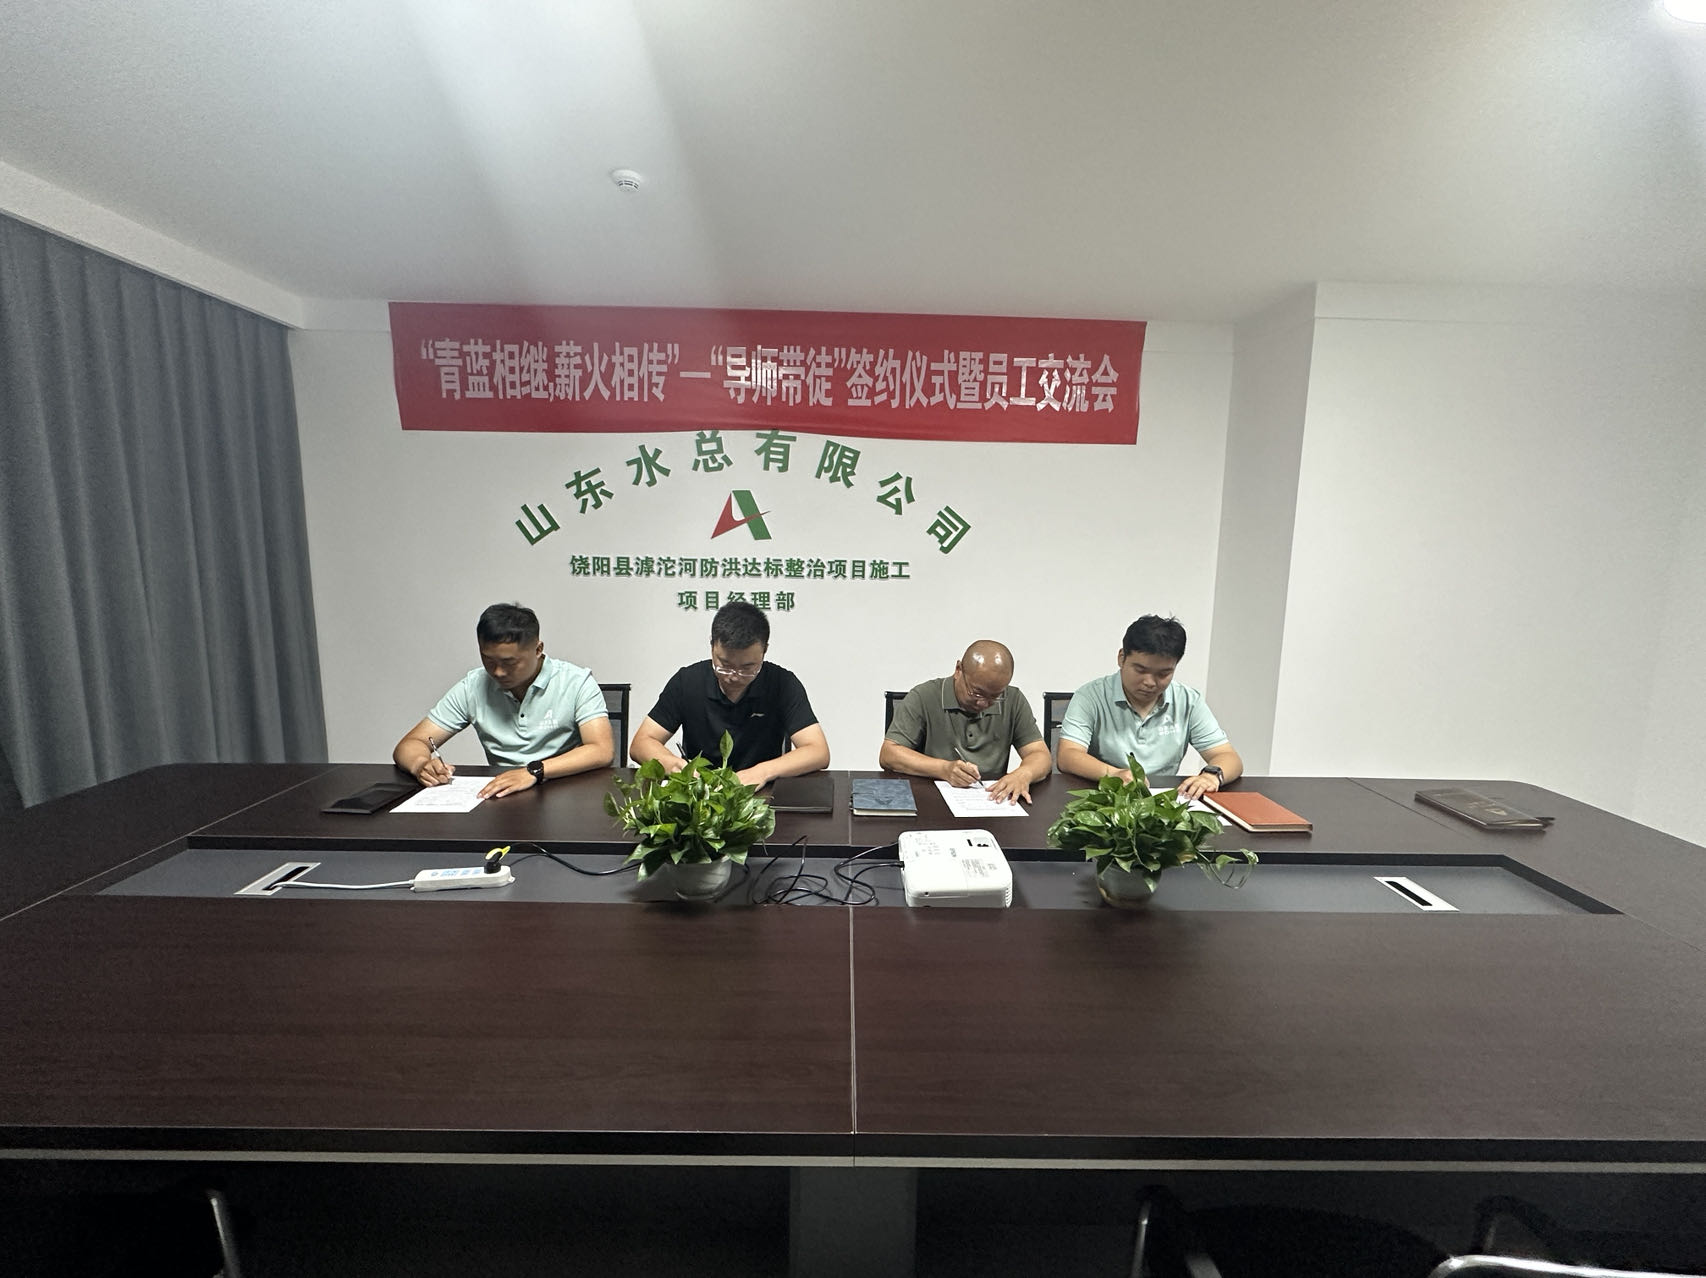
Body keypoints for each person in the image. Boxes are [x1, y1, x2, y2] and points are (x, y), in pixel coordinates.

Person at [392, 602, 614, 797]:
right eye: (488, 660)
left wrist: (533, 771)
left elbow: (601, 749)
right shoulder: (473, 686)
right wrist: (421, 765)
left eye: (509, 662)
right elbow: (411, 744)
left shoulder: (576, 682)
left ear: (538, 649)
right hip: (503, 793)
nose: (497, 672)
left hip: (566, 790)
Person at [630, 599, 830, 787]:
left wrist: (762, 772)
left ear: (765, 650)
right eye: (724, 665)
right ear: (712, 646)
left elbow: (818, 751)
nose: (734, 676)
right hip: (699, 792)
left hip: (762, 793)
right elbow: (641, 743)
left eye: (747, 668)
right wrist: (677, 767)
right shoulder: (687, 682)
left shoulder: (782, 683)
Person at [1057, 615, 1243, 799]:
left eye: (1163, 674)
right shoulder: (1091, 696)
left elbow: (1227, 756)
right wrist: (1114, 774)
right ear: (1121, 658)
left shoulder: (1188, 701)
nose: (1150, 682)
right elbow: (1067, 755)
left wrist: (1211, 775)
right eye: (1140, 670)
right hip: (1105, 797)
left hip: (1164, 800)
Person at [878, 640, 1051, 803]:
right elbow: (889, 754)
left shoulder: (1013, 700)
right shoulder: (924, 696)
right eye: (976, 693)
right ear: (958, 670)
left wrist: (1024, 774)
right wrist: (943, 769)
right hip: (930, 802)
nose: (983, 703)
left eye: (994, 696)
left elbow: (1040, 755)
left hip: (990, 802)